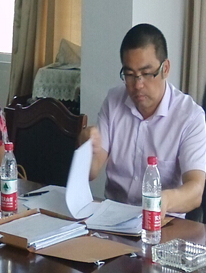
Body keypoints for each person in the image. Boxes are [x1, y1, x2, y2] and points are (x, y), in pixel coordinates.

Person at [81, 23, 206, 218]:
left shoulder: (190, 117)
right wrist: (85, 148)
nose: (138, 85)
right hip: (112, 218)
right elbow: (91, 172)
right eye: (130, 75)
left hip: (163, 222)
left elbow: (196, 190)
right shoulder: (113, 101)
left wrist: (163, 200)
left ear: (165, 68)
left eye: (147, 74)